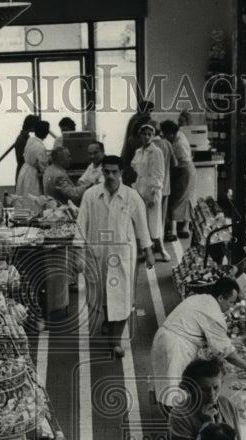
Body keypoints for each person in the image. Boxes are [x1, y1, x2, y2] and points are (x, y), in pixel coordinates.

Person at [76, 155, 154, 358]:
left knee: (122, 296)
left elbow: (142, 226)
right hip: (98, 253)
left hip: (122, 255)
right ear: (102, 171)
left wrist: (149, 251)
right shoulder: (91, 196)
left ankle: (116, 341)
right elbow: (80, 224)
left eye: (114, 172)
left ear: (121, 173)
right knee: (101, 293)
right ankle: (108, 320)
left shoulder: (131, 196)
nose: (110, 176)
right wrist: (77, 254)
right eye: (107, 171)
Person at [150, 276, 246, 408]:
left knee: (162, 380)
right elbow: (227, 352)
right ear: (220, 298)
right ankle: (175, 424)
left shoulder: (199, 298)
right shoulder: (213, 314)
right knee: (175, 392)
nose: (231, 307)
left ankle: (163, 412)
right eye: (230, 302)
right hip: (176, 346)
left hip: (161, 337)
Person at [167, 357, 244, 440]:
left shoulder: (227, 404)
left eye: (216, 387)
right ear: (192, 389)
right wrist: (206, 427)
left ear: (222, 383)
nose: (212, 395)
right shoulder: (180, 414)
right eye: (204, 389)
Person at [131, 122, 170, 262]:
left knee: (154, 221)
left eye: (149, 134)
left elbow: (159, 174)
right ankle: (145, 250)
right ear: (140, 136)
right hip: (140, 188)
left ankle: (161, 249)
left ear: (153, 136)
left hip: (152, 190)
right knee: (141, 220)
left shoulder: (156, 152)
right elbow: (135, 167)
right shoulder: (138, 152)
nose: (146, 137)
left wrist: (153, 193)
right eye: (144, 134)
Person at [160, 119, 196, 241]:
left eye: (165, 134)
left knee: (176, 199)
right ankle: (184, 228)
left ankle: (174, 231)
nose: (164, 137)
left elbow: (174, 163)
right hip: (188, 170)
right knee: (186, 198)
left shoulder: (177, 144)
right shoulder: (179, 135)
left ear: (170, 133)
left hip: (183, 171)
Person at [14, 120, 50, 197]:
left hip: (25, 170)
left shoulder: (31, 140)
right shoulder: (40, 147)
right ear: (46, 134)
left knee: (24, 197)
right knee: (33, 198)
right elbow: (43, 167)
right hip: (32, 175)